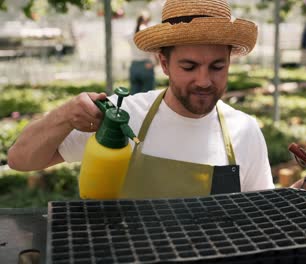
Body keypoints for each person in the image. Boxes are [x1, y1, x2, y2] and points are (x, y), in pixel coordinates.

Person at [7, 0, 274, 199]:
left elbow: (261, 214)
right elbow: (21, 160)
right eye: (189, 67)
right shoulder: (126, 117)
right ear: (164, 64)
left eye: (217, 67)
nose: (204, 81)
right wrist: (64, 115)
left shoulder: (244, 130)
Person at [128, 11, 156, 95]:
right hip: (146, 65)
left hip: (134, 65)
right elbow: (154, 50)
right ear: (146, 21)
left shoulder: (131, 34)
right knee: (148, 95)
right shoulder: (147, 33)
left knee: (134, 95)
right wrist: (155, 62)